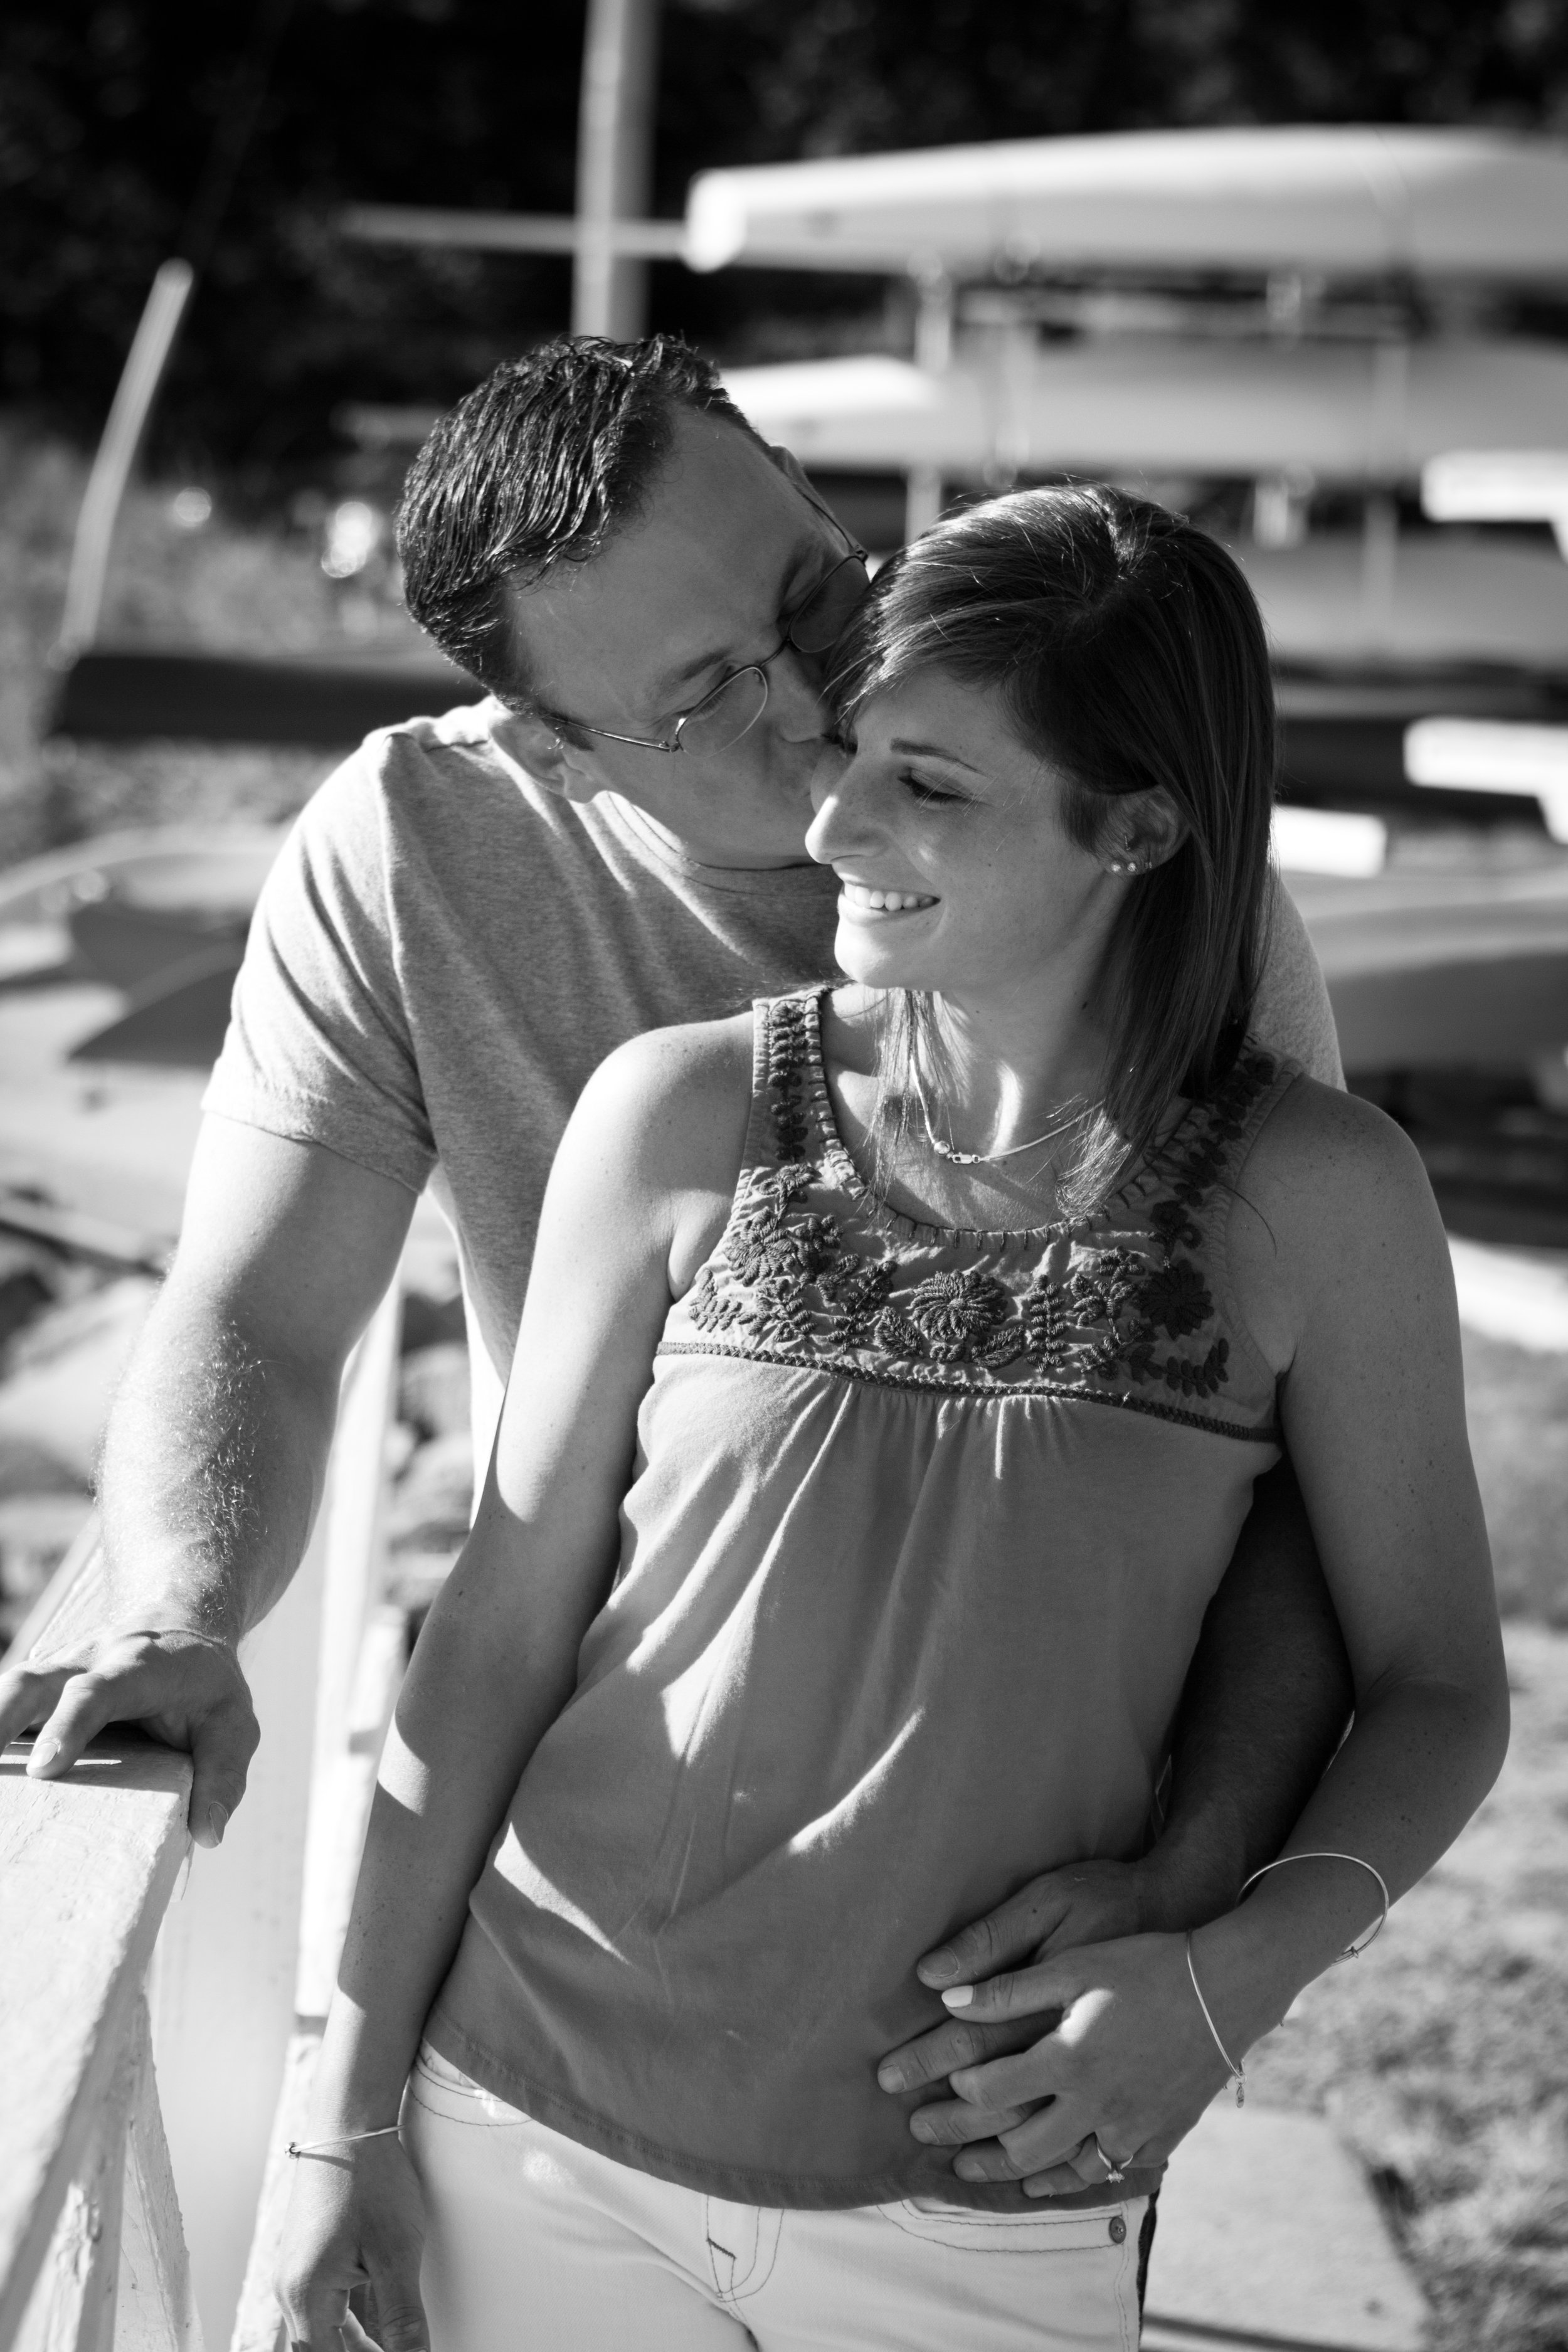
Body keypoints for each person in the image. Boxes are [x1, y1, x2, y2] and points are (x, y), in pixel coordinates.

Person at [1, 338, 1350, 2166]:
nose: (816, 701)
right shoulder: (409, 848)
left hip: (1018, 1979)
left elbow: (1297, 1476)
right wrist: (182, 1605)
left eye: (812, 591)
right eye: (703, 694)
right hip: (568, 1973)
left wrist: (1194, 1914)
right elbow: (260, 1306)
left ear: (809, 487)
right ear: (548, 750)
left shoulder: (1123, 844)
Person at [275, 484, 1507, 2352]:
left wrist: (1216, 1986)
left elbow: (1433, 1685)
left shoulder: (1320, 1197)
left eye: (930, 788)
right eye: (854, 753)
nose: (833, 821)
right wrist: (337, 2126)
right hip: (534, 2130)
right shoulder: (674, 1117)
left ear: (1139, 828)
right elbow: (495, 1639)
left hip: (987, 2198)